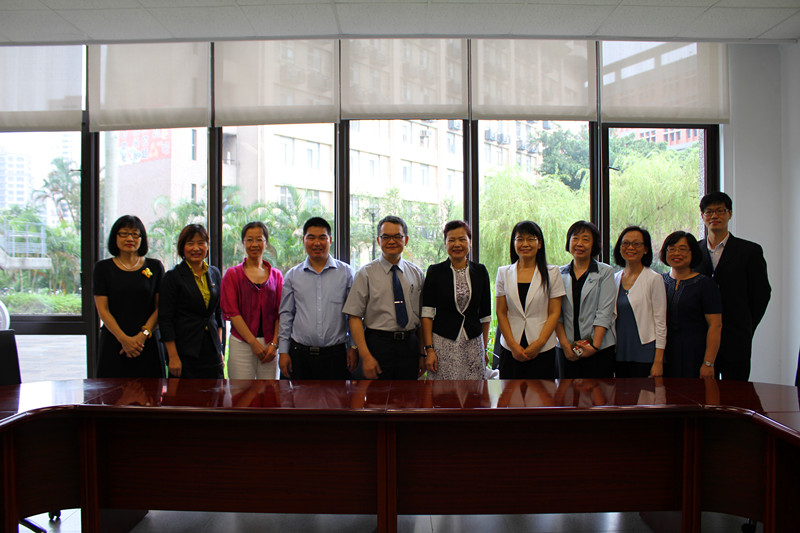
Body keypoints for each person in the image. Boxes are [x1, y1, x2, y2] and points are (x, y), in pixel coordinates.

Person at [696, 192, 771, 381]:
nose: (714, 216)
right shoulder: (694, 251)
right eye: (709, 212)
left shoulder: (750, 251)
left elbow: (761, 294)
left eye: (720, 211)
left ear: (729, 213)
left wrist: (747, 325)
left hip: (736, 336)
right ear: (702, 216)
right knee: (702, 392)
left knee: (737, 391)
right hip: (701, 337)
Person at [343, 215, 424, 380]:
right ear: (378, 240)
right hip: (377, 345)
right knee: (376, 395)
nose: (391, 241)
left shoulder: (417, 273)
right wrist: (365, 356)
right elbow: (355, 316)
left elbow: (423, 317)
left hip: (409, 346)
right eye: (386, 237)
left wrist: (422, 353)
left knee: (408, 394)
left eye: (397, 236)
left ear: (406, 240)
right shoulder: (365, 273)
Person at [278, 217, 357, 380]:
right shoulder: (293, 275)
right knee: (300, 397)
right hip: (300, 355)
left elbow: (354, 315)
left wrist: (353, 347)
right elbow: (286, 315)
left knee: (338, 396)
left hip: (336, 356)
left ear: (330, 240)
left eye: (322, 237)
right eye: (311, 238)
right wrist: (283, 351)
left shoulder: (346, 273)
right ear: (303, 240)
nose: (317, 243)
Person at [93, 215, 165, 378]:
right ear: (115, 237)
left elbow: (160, 308)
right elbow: (103, 310)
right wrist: (124, 339)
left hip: (147, 343)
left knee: (151, 391)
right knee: (112, 391)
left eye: (135, 234)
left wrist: (142, 337)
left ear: (142, 238)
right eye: (124, 234)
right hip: (114, 341)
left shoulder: (155, 267)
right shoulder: (103, 268)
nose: (130, 238)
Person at [421, 220, 491, 380]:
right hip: (443, 343)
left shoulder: (481, 271)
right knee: (443, 391)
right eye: (451, 240)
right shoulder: (435, 272)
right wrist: (429, 350)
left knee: (474, 391)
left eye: (462, 239)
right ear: (445, 243)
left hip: (473, 343)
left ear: (470, 242)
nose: (457, 244)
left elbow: (486, 316)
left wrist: (484, 348)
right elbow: (427, 314)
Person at [495, 221, 566, 379]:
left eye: (531, 239)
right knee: (509, 393)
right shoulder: (503, 273)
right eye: (520, 239)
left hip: (543, 347)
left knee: (543, 393)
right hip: (511, 348)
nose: (525, 244)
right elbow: (501, 312)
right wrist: (513, 346)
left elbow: (554, 312)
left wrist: (539, 343)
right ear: (514, 243)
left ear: (539, 244)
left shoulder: (552, 272)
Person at [159, 224, 224, 379]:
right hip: (184, 350)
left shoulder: (214, 273)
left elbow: (218, 313)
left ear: (207, 246)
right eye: (190, 243)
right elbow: (165, 319)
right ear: (182, 247)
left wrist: (219, 348)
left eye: (201, 243)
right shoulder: (172, 277)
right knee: (185, 394)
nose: (196, 248)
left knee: (215, 392)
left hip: (211, 349)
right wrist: (173, 356)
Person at [554, 221, 616, 379]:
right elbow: (556, 315)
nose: (579, 243)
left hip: (600, 349)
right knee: (567, 393)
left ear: (594, 244)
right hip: (567, 350)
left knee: (599, 393)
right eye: (575, 238)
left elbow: (605, 312)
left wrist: (594, 346)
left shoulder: (605, 272)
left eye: (586, 239)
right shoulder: (558, 274)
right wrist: (565, 347)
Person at [221, 221, 283, 380]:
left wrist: (275, 344)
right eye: (249, 240)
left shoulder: (276, 275)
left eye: (259, 239)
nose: (254, 244)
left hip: (270, 346)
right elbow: (233, 313)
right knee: (241, 391)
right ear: (243, 243)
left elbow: (280, 313)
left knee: (269, 392)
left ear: (266, 243)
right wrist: (253, 343)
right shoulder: (232, 274)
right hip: (241, 343)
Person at [660, 231, 722, 378]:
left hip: (694, 353)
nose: (677, 253)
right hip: (664, 353)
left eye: (682, 249)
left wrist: (708, 363)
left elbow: (715, 325)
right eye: (672, 249)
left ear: (693, 253)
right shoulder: (659, 281)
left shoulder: (705, 284)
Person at [612, 226, 666, 378]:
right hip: (619, 352)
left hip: (645, 353)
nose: (630, 247)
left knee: (644, 393)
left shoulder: (654, 279)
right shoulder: (614, 279)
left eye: (636, 244)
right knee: (620, 393)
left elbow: (661, 323)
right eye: (625, 243)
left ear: (646, 249)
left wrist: (658, 361)